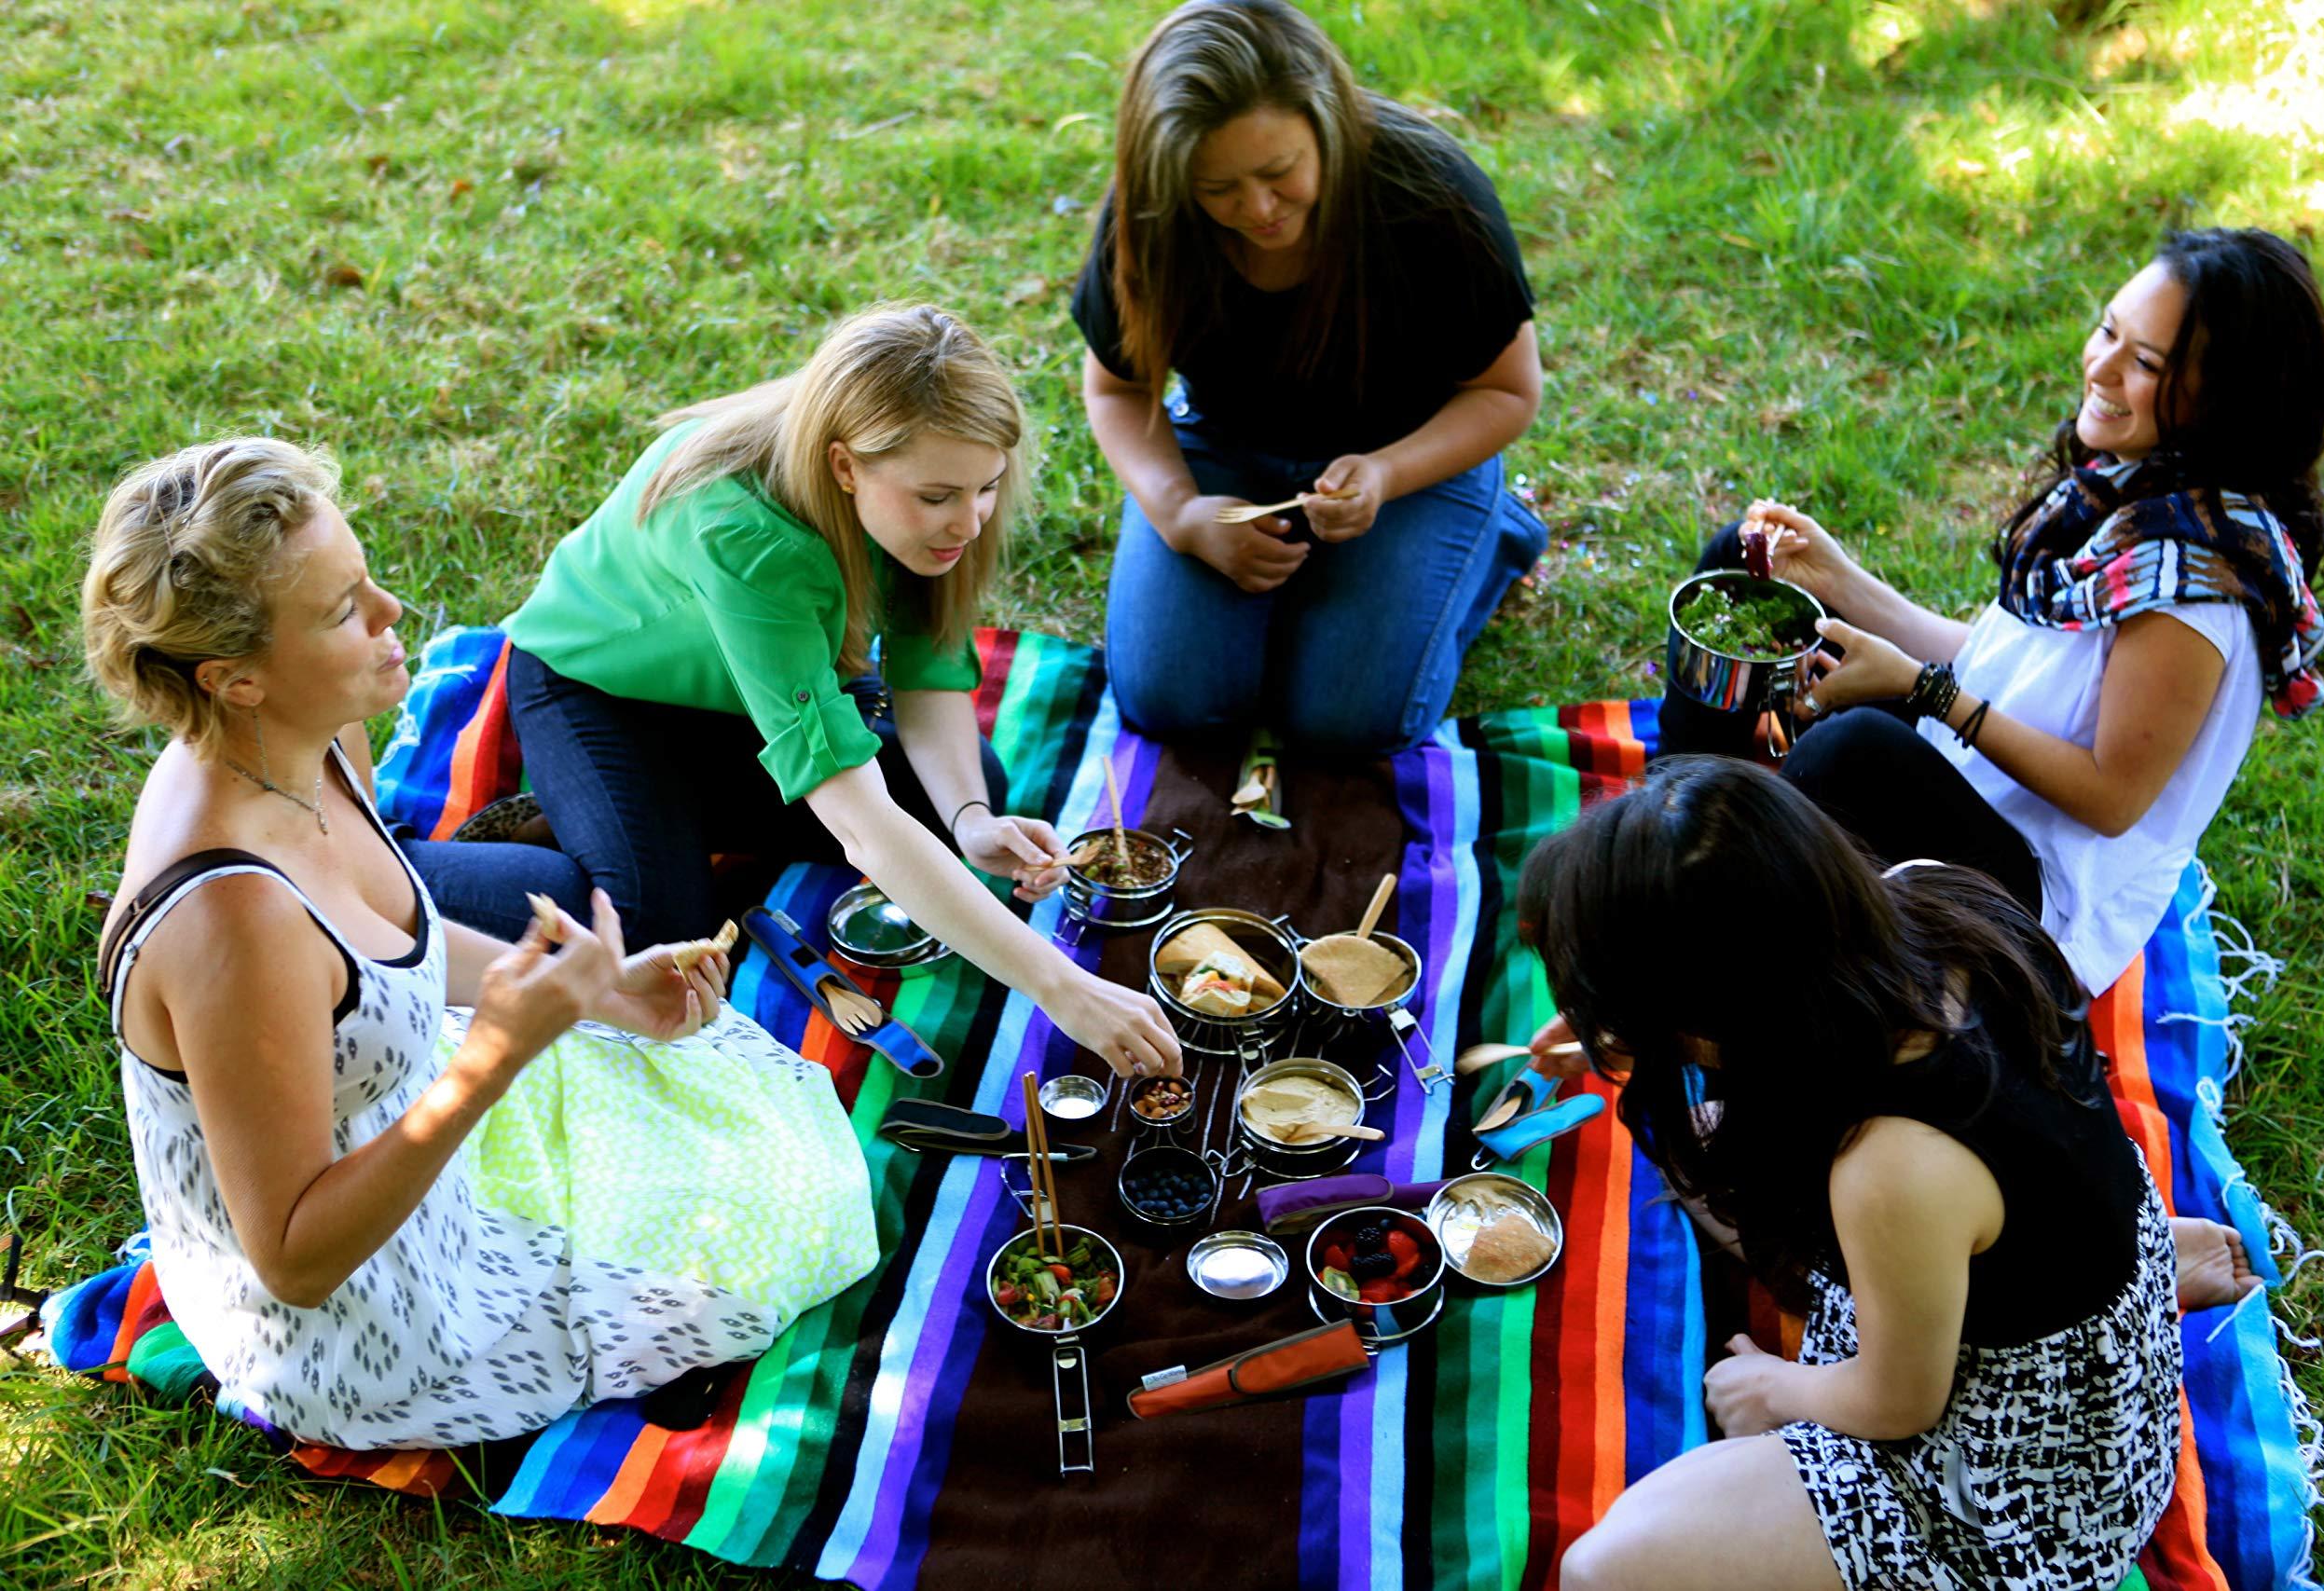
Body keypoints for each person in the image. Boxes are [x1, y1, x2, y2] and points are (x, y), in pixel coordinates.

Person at [81, 438, 882, 1447]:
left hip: (402, 1121)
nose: (391, 614)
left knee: (755, 1117)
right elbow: (291, 1257)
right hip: (365, 1327)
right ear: (235, 678)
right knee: (780, 1228)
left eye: (363, 578)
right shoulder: (233, 924)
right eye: (342, 611)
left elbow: (385, 952)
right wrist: (491, 1063)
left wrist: (594, 994)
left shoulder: (308, 730)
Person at [450, 304, 1180, 1079]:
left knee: (963, 796)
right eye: (937, 497)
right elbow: (863, 828)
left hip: (733, 697)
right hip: (593, 692)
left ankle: (644, 812)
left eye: (987, 488)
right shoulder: (748, 533)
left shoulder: (922, 481)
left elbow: (926, 670)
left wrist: (970, 820)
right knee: (658, 934)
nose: (969, 522)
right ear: (844, 466)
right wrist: (1061, 987)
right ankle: (406, 877)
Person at [1524, 760, 2181, 1591]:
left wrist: (1776, 1386)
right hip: (2054, 1274)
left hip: (2025, 1482)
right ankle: (2071, 1262)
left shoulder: (1892, 1164)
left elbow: (1901, 1402)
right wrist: (1642, 1031)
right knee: (1705, 1146)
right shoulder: (1929, 891)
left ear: (1713, 1009)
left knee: (1600, 1569)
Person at [1660, 227, 2324, 1004]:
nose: (2102, 367)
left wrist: (1926, 692)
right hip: (1970, 777)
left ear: (2227, 401)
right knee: (1742, 567)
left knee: (1849, 755)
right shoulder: (2134, 492)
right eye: (2108, 330)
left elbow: (2109, 797)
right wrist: (1838, 579)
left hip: (2037, 908)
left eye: (2145, 363)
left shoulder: (2192, 590)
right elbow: (1998, 658)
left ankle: (1703, 933)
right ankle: (1668, 825)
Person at [1073, 0, 1548, 754]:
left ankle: (1490, 532)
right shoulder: (1154, 208)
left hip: (1409, 456)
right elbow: (1117, 389)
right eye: (1218, 188)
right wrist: (1184, 517)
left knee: (1348, 721)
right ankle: (1336, 587)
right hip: (1224, 446)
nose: (1256, 209)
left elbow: (1509, 390)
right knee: (1171, 702)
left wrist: (1387, 474)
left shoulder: (1430, 195)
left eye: (1278, 171)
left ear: (1326, 122)